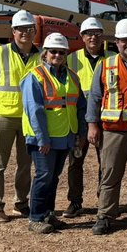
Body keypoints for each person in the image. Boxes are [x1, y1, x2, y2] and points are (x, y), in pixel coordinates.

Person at [21, 33, 88, 235]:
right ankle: (36, 218)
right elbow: (35, 110)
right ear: (45, 53)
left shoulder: (72, 77)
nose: (57, 55)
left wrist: (80, 134)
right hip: (44, 139)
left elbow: (80, 107)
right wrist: (43, 139)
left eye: (61, 52)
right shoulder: (35, 76)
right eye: (53, 51)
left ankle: (48, 213)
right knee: (43, 176)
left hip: (65, 136)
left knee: (54, 177)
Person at [87, 19, 127, 237]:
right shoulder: (105, 65)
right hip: (113, 130)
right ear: (117, 43)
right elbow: (94, 97)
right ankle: (105, 216)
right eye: (124, 40)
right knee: (110, 174)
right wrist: (92, 124)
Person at [0, 9, 40, 222]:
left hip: (29, 119)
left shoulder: (41, 55)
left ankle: (21, 203)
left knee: (25, 164)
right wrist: (1, 102)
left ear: (34, 31)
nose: (25, 33)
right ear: (13, 32)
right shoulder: (1, 53)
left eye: (29, 28)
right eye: (20, 29)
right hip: (5, 117)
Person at [62, 16, 112, 217]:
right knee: (75, 161)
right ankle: (75, 201)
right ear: (82, 37)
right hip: (78, 119)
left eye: (97, 34)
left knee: (107, 163)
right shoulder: (72, 59)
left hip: (106, 117)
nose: (93, 38)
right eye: (89, 34)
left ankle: (104, 200)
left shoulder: (112, 59)